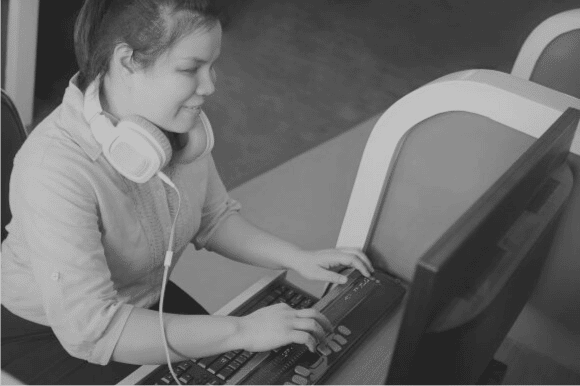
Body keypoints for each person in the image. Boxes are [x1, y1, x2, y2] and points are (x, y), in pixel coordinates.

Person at [0, 0, 374, 384]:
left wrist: (297, 258)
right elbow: (95, 329)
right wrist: (242, 330)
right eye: (190, 69)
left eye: (211, 66)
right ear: (127, 61)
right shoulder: (53, 167)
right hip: (51, 333)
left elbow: (214, 218)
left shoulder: (174, 126)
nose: (210, 86)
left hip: (144, 302)